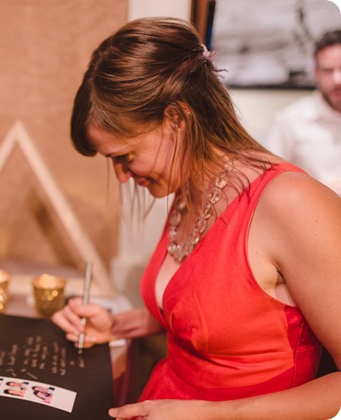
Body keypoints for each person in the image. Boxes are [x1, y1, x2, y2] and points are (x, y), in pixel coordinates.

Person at [51, 17, 341, 419]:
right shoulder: (190, 184)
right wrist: (119, 326)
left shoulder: (293, 205)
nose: (122, 176)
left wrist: (213, 414)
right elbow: (221, 319)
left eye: (125, 157)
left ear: (177, 120)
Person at [263, 29, 341, 195]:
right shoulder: (289, 121)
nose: (337, 80)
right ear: (316, 73)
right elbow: (267, 184)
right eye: (328, 71)